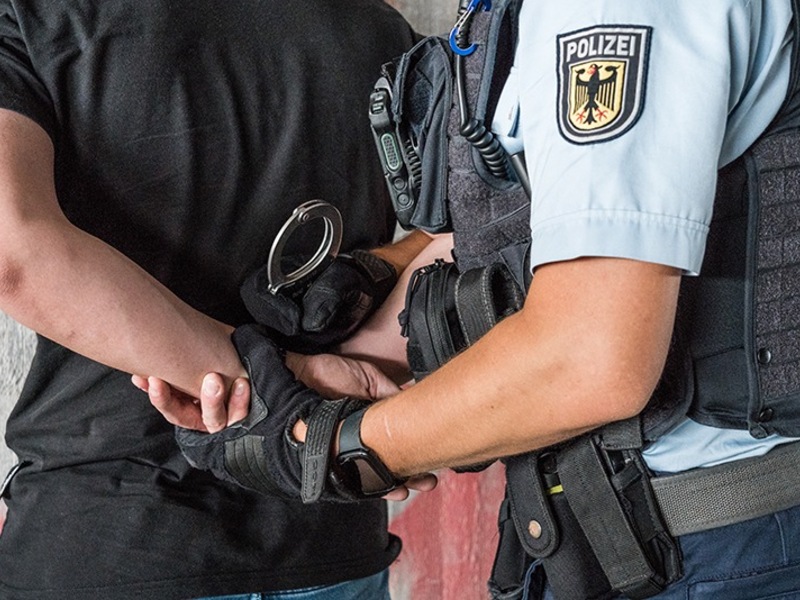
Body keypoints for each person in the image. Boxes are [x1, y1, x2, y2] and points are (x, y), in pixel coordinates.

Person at [146, 0, 800, 598]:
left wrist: (327, 446)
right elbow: (535, 247)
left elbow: (588, 358)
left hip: (710, 541)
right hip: (642, 531)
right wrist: (321, 346)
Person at [0, 2, 424, 599]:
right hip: (330, 527)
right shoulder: (380, 29)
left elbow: (14, 251)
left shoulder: (38, 12)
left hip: (114, 535)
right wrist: (301, 386)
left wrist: (274, 387)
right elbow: (484, 231)